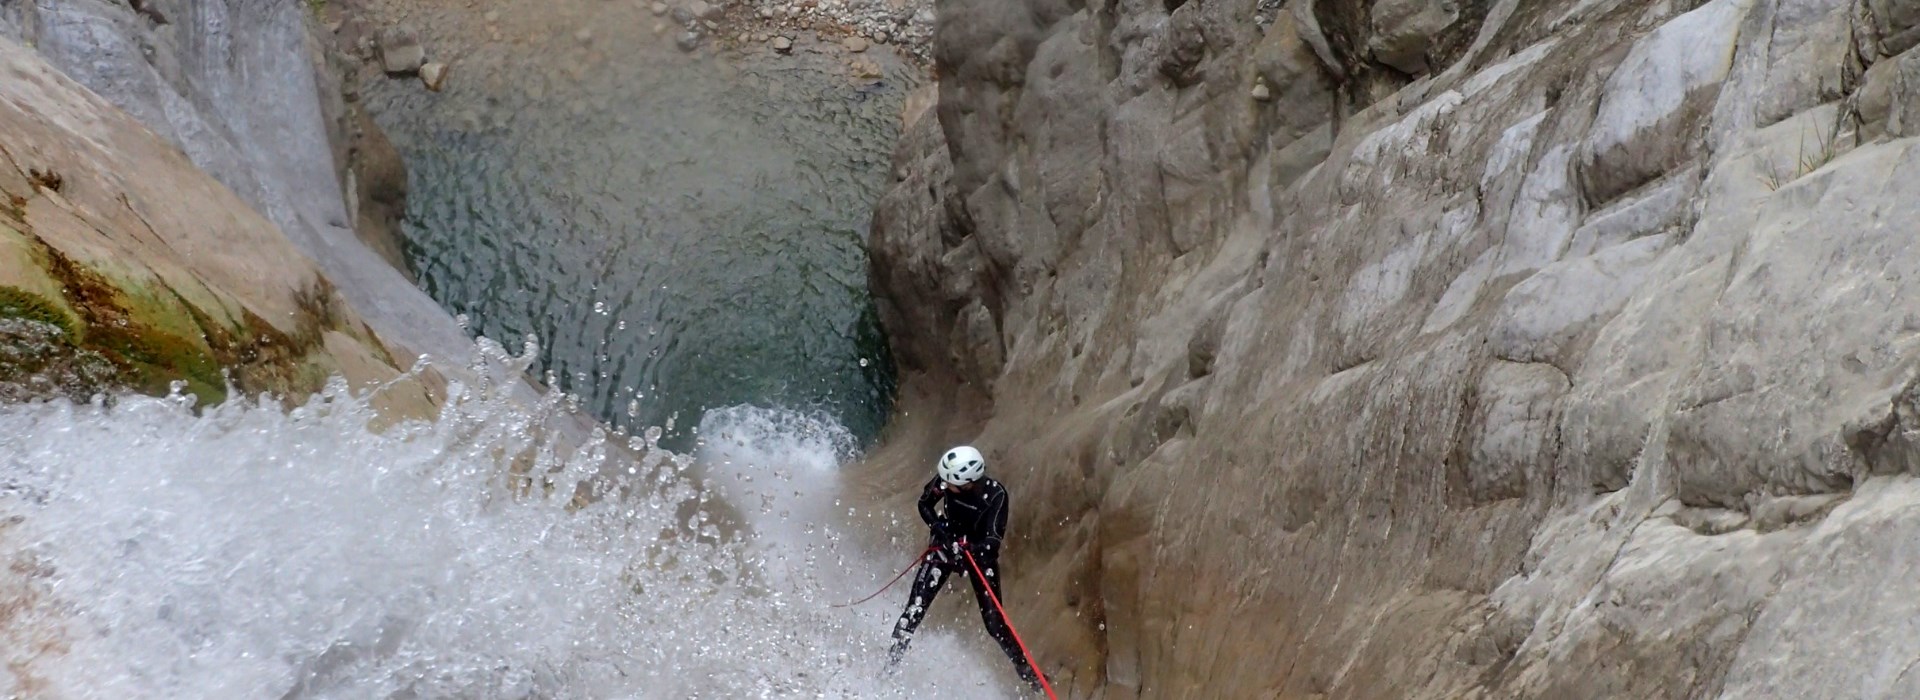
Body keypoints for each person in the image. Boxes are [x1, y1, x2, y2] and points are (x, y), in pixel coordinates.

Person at [885, 445, 1041, 689]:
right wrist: (938, 528)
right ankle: (888, 671)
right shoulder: (947, 478)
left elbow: (993, 542)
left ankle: (1029, 675)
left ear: (968, 482)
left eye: (950, 484)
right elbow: (924, 504)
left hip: (977, 555)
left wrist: (969, 547)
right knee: (914, 610)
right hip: (945, 546)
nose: (944, 486)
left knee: (994, 624)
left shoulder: (995, 496)